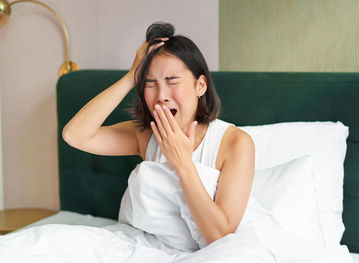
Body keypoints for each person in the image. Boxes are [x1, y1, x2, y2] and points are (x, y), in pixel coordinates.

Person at [62, 22, 255, 246]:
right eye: (150, 84)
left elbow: (220, 236)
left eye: (172, 81)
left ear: (200, 86)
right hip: (148, 247)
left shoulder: (236, 143)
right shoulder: (145, 135)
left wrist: (183, 163)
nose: (161, 95)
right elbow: (74, 135)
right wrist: (130, 77)